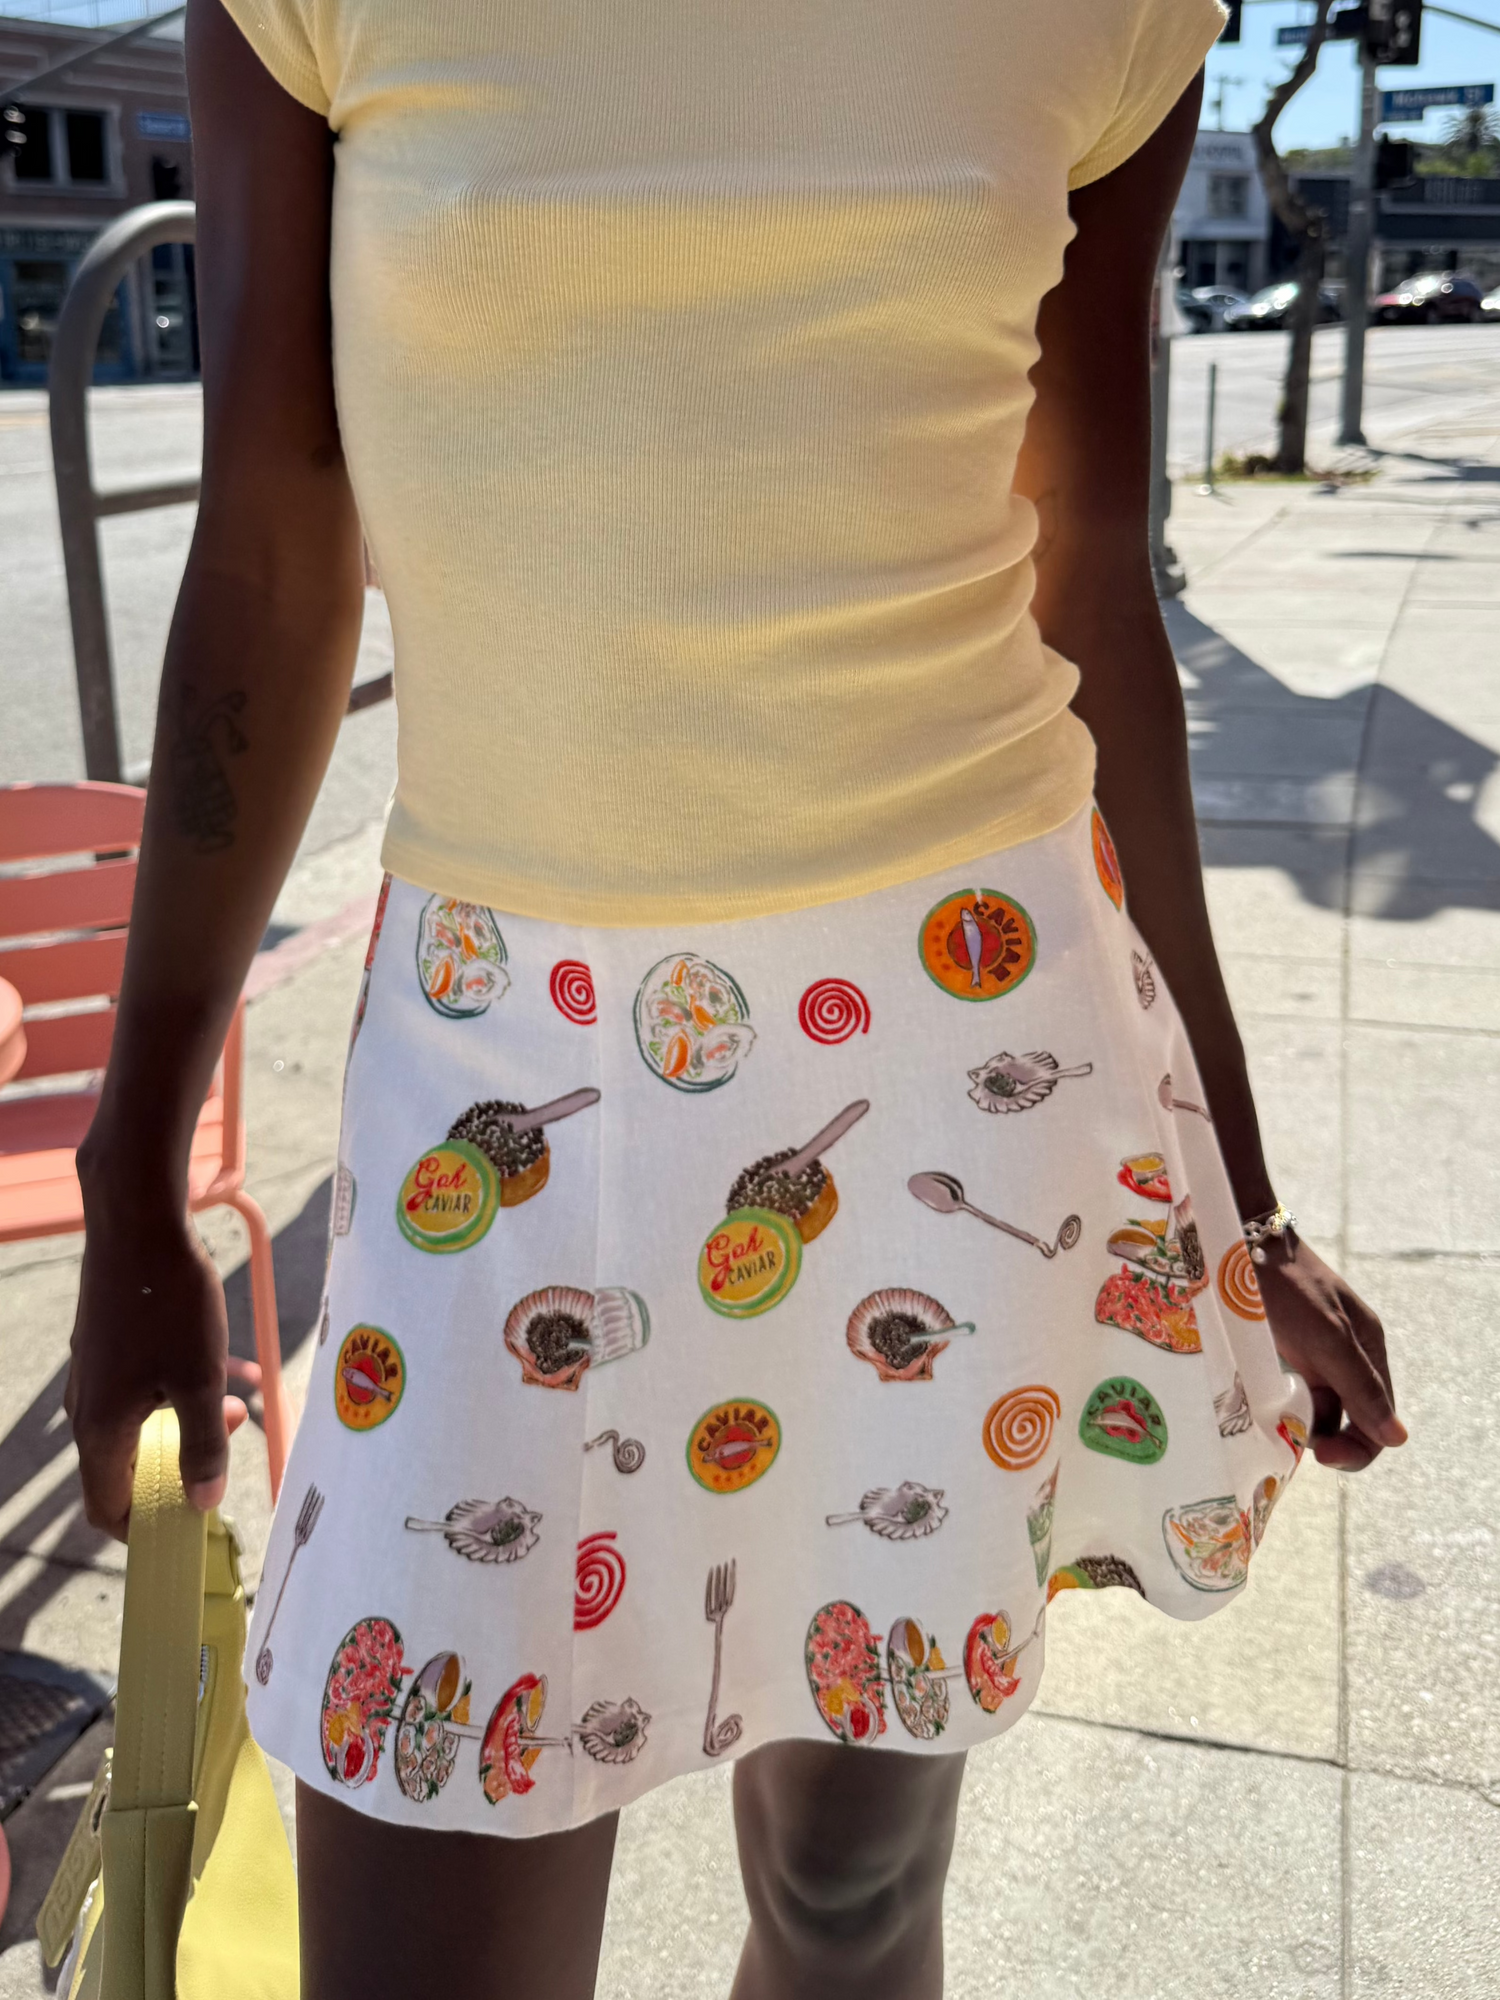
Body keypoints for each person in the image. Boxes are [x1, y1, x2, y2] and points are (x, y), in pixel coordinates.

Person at [66, 0, 1406, 1993]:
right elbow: (269, 549)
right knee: (426, 1869)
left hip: (952, 1055)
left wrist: (1248, 1205)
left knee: (851, 1900)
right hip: (499, 1059)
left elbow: (1090, 581)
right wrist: (132, 1166)